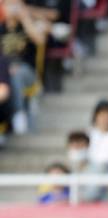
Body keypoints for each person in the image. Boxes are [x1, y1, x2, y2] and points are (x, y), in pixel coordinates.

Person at [0, 0, 47, 134]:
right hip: (5, 71)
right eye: (8, 5)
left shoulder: (27, 25)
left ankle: (19, 114)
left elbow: (40, 40)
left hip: (27, 71)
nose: (12, 8)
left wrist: (25, 18)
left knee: (16, 75)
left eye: (15, 4)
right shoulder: (1, 28)